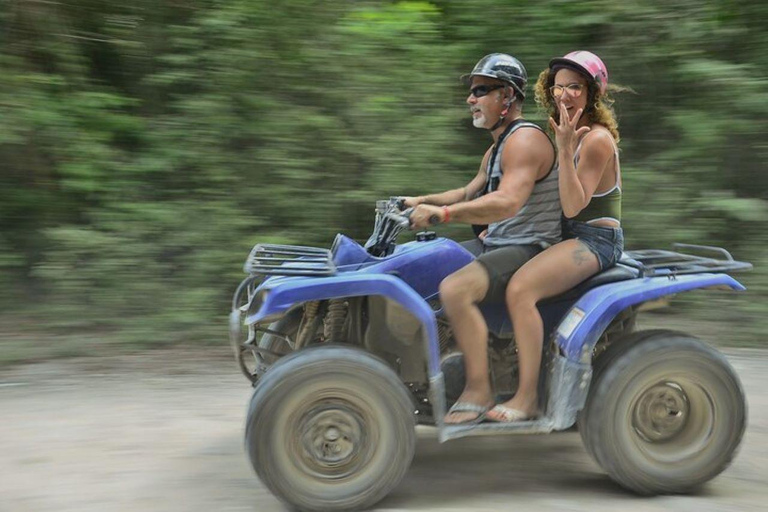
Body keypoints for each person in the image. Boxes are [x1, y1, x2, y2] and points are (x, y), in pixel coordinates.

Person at [405, 53, 561, 424]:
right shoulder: (498, 146)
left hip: (529, 247)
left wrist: (441, 216)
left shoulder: (525, 141)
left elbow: (507, 202)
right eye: (471, 92)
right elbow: (467, 192)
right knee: (423, 265)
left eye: (480, 90)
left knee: (455, 289)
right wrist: (419, 201)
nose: (470, 99)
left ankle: (479, 388)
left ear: (506, 96)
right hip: (500, 243)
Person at [486, 51, 625, 423]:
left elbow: (574, 205)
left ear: (592, 93)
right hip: (562, 234)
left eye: (575, 87)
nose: (564, 94)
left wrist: (564, 147)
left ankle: (527, 397)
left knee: (520, 289)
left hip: (594, 240)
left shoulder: (595, 140)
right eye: (558, 86)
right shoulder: (560, 131)